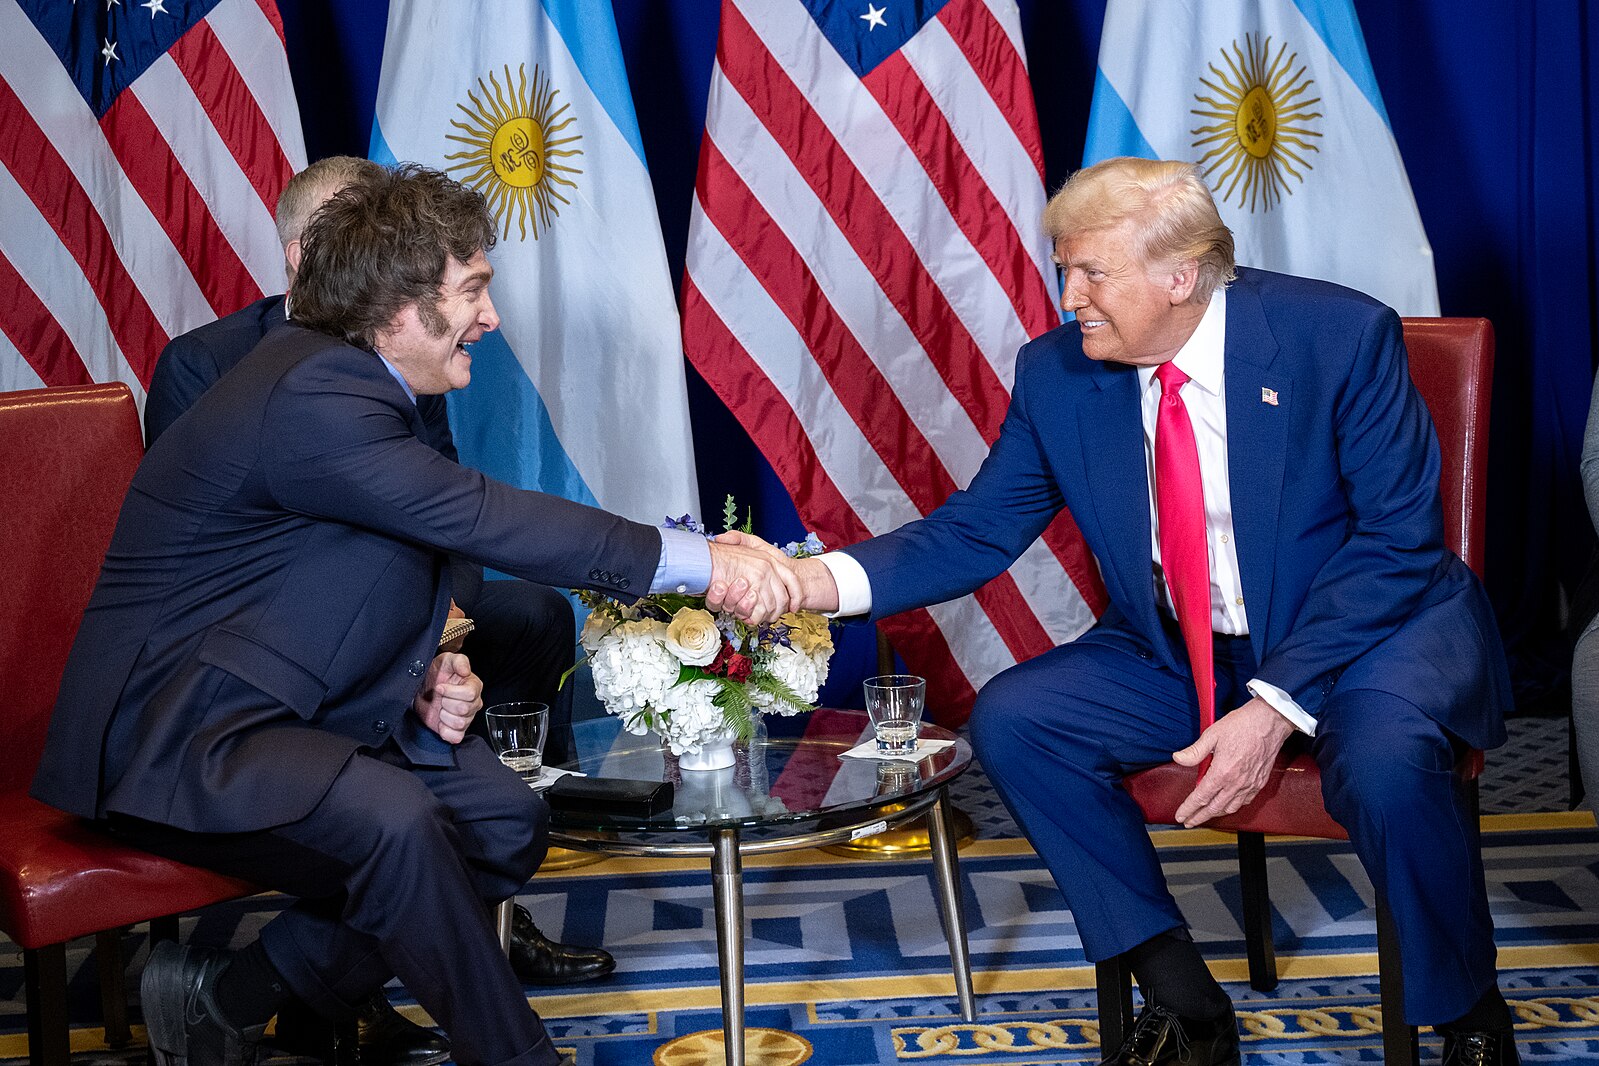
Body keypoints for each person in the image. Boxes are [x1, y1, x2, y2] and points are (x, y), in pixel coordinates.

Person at [756, 157, 1520, 1065]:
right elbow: (975, 531)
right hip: (1186, 647)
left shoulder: (1337, 336)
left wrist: (1272, 708)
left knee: (1386, 761)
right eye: (1064, 269)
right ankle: (1182, 998)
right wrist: (811, 582)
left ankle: (1468, 1012)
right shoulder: (1058, 374)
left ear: (1179, 276)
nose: (1068, 294)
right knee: (1019, 720)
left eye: (1091, 272)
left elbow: (1398, 541)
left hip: (1371, 634)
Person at [32, 164, 799, 1066]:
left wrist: (425, 665)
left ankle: (235, 994)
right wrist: (699, 564)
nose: (492, 316)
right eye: (472, 290)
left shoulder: (353, 379)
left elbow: (338, 564)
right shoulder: (316, 389)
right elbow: (483, 517)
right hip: (180, 729)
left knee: (504, 821)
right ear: (398, 307)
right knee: (398, 821)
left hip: (290, 702)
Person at [144, 157, 605, 1065]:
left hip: (382, 632)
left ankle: (263, 990)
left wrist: (442, 643)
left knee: (524, 687)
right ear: (305, 255)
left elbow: (435, 512)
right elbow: (249, 574)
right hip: (259, 674)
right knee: (408, 825)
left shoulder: (403, 354)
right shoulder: (217, 366)